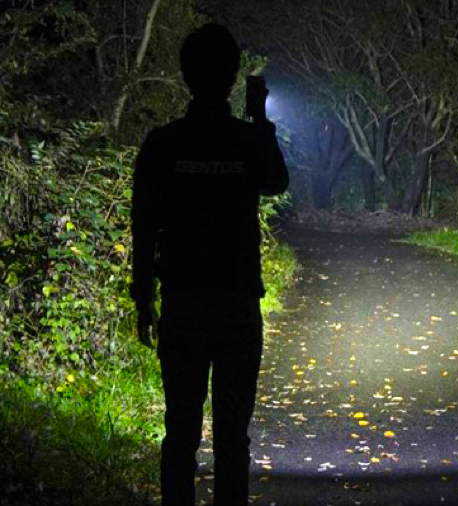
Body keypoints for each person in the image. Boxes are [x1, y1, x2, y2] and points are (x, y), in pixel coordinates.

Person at [130, 23, 288, 506]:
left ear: (185, 75)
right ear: (234, 77)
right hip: (237, 306)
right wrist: (259, 119)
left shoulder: (163, 144)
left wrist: (143, 297)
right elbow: (276, 181)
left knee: (180, 434)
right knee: (232, 439)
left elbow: (144, 224)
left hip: (183, 304)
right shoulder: (245, 140)